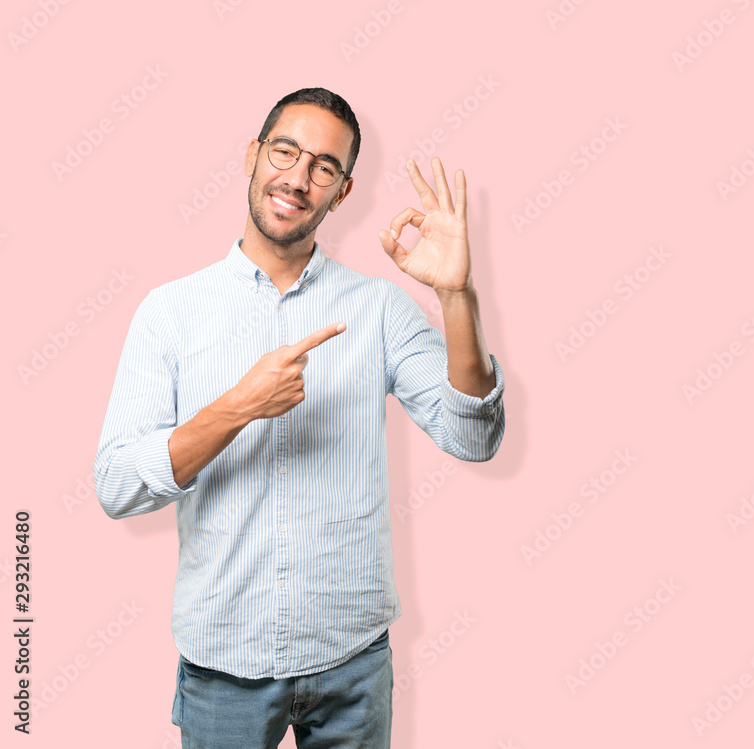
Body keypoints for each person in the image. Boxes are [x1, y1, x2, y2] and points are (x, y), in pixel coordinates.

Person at [93, 87, 506, 748]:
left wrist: (457, 295)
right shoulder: (168, 312)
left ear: (342, 192)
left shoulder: (379, 308)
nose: (298, 177)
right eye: (285, 151)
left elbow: (474, 434)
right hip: (223, 666)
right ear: (254, 156)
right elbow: (117, 485)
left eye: (324, 166)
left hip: (353, 661)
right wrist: (239, 406)